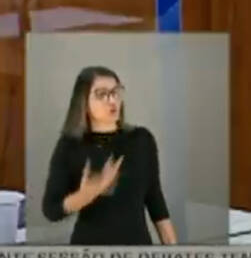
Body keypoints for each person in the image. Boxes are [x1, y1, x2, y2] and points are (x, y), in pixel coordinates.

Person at [42, 66, 177, 246]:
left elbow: (155, 201)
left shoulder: (141, 140)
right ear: (84, 101)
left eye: (115, 92)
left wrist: (174, 253)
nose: (112, 100)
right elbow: (51, 210)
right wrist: (85, 195)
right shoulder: (70, 146)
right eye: (101, 94)